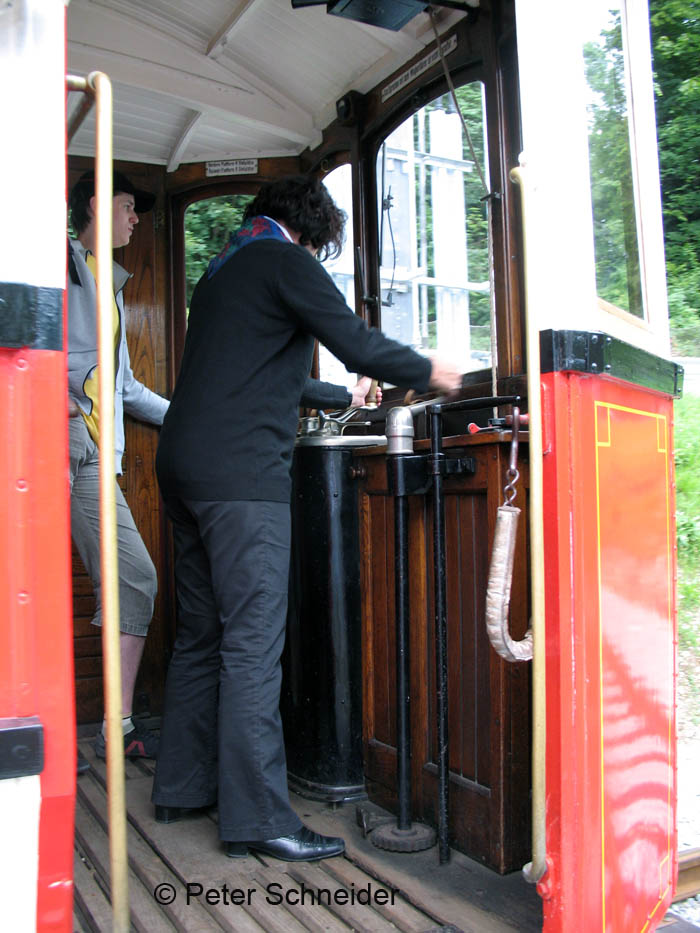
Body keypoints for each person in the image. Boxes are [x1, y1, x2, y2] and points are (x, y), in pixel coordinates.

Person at [151, 175, 462, 861]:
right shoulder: (285, 260)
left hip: (182, 465)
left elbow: (261, 371)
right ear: (313, 232)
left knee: (201, 636)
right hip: (239, 478)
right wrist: (431, 369)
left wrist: (337, 393)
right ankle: (258, 818)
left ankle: (180, 786)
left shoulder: (223, 269)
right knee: (252, 644)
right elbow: (354, 339)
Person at [67, 169, 169, 765]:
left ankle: (117, 724)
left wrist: (189, 416)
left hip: (95, 460)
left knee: (136, 579)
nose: (135, 220)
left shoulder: (111, 285)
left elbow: (124, 387)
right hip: (55, 443)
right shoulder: (57, 261)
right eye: (128, 207)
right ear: (96, 206)